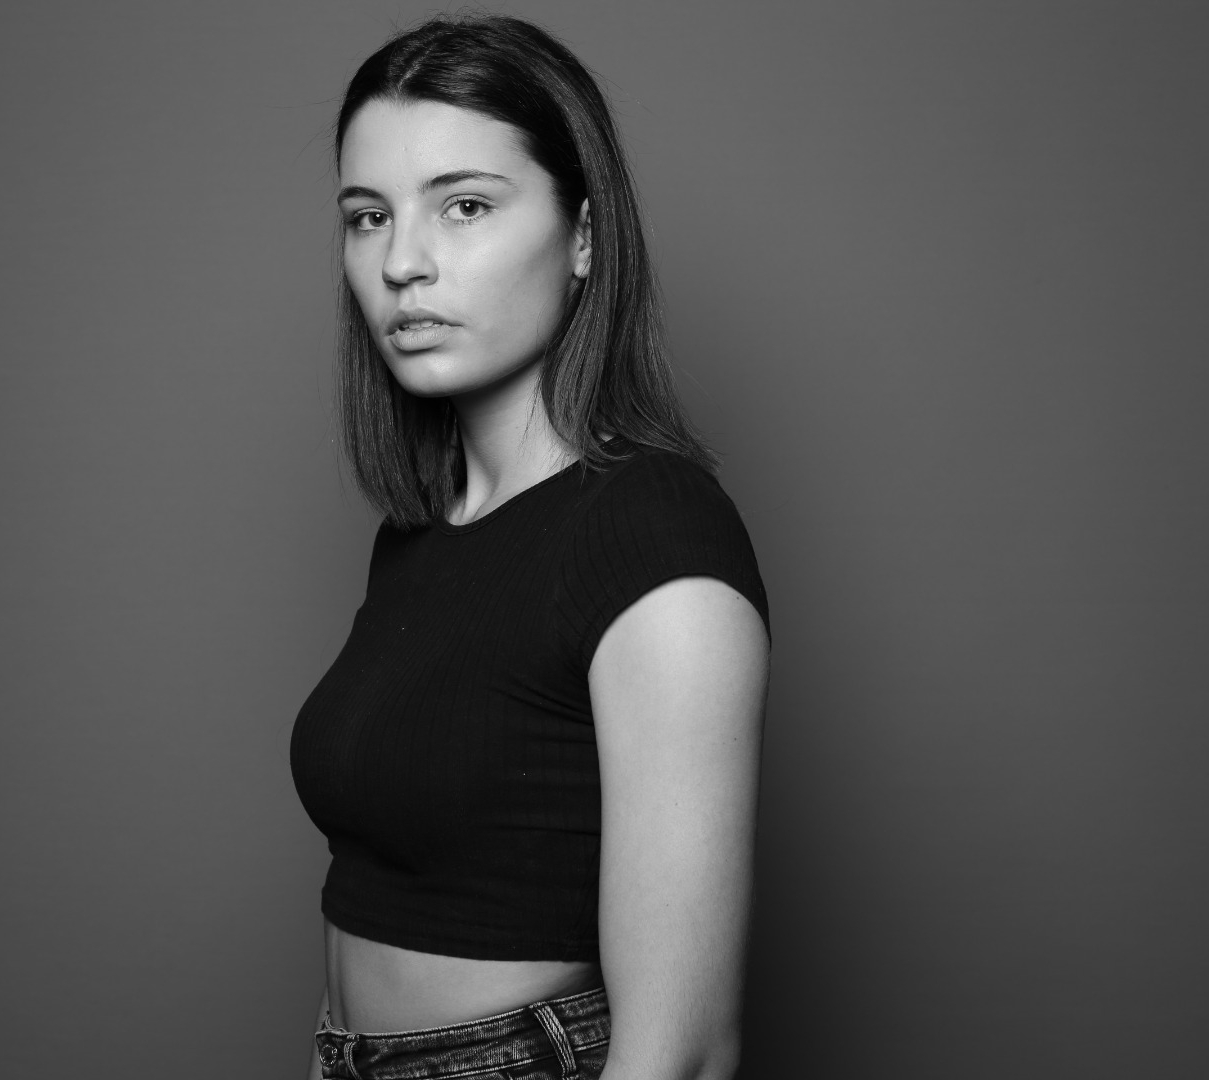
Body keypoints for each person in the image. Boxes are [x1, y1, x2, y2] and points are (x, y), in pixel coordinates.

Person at [289, 14, 770, 1080]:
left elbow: (684, 1052)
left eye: (464, 206)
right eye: (369, 217)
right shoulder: (418, 537)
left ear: (584, 236)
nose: (402, 263)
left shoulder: (651, 530)